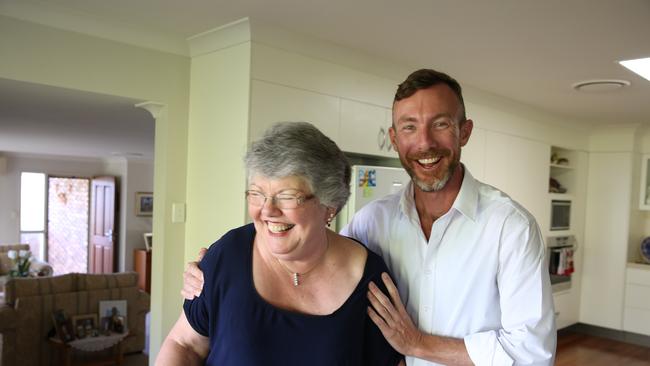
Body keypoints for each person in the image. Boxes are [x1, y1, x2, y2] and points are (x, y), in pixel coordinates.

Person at [181, 69, 556, 365]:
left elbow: (533, 353)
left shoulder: (510, 228)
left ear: (464, 131)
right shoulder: (371, 221)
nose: (424, 142)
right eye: (409, 127)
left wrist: (419, 344)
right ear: (394, 138)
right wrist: (212, 273)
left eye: (440, 124)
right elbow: (313, 252)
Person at [157, 122, 402, 365]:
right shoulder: (228, 255)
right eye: (257, 194)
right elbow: (184, 345)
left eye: (286, 197)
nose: (267, 210)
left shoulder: (371, 281)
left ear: (329, 205)